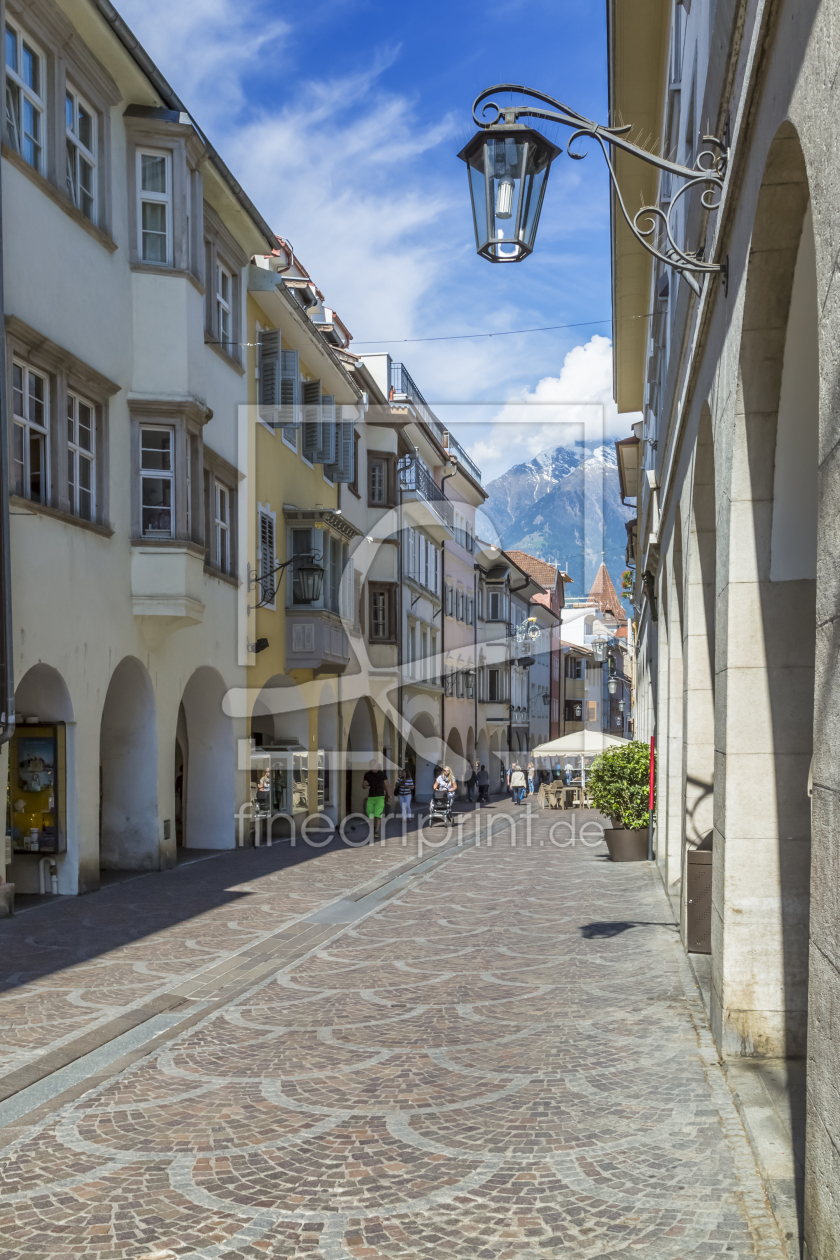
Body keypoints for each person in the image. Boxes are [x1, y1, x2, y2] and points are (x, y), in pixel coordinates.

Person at [363, 759, 391, 840]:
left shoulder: (382, 774)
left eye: (374, 765)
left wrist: (388, 796)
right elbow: (363, 785)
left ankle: (376, 831)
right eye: (371, 765)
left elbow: (387, 785)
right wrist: (365, 785)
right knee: (370, 813)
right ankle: (373, 828)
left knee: (377, 814)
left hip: (380, 796)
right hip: (371, 797)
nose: (372, 766)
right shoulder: (367, 774)